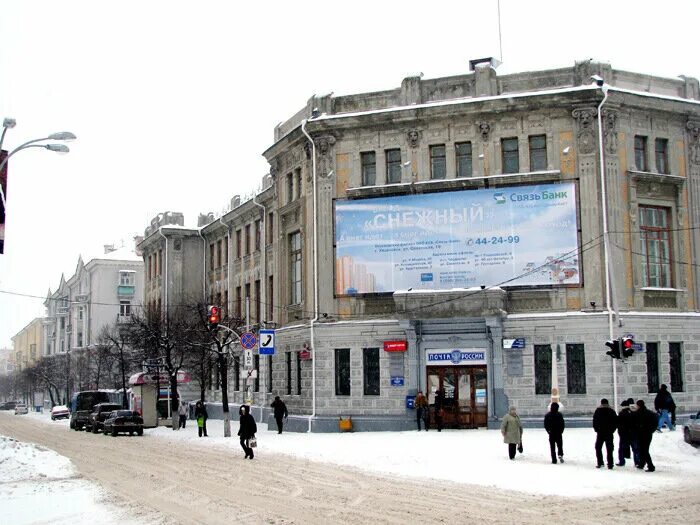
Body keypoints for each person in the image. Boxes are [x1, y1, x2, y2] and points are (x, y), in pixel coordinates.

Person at [593, 398, 618, 469]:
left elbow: (595, 421)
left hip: (600, 432)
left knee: (598, 447)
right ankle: (610, 464)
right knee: (609, 449)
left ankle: (600, 462)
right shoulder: (611, 411)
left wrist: (596, 429)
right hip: (609, 432)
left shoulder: (598, 411)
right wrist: (612, 430)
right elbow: (615, 422)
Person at [634, 399, 657, 472]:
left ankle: (650, 466)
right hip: (648, 434)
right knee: (644, 449)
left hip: (640, 434)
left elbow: (634, 424)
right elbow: (655, 423)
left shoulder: (637, 414)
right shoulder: (650, 413)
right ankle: (642, 463)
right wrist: (651, 430)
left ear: (638, 406)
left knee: (643, 450)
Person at [616, 399, 634, 466]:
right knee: (635, 448)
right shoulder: (632, 413)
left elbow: (619, 423)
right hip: (632, 433)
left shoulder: (622, 413)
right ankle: (637, 462)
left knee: (621, 449)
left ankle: (622, 461)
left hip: (623, 433)